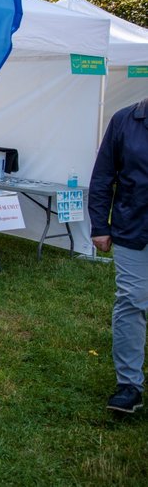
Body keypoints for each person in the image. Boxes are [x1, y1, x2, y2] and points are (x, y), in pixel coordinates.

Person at [89, 97, 148, 414]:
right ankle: (129, 385)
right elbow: (102, 176)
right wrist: (100, 225)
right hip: (133, 230)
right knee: (131, 300)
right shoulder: (125, 120)